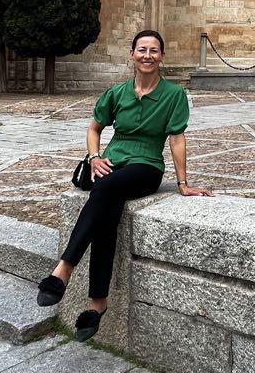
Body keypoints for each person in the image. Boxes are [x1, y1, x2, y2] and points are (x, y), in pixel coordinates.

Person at [35, 28, 211, 341]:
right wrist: (94, 157)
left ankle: (63, 269)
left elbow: (177, 138)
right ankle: (97, 302)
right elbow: (93, 128)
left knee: (105, 189)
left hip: (145, 167)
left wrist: (183, 183)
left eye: (154, 50)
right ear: (132, 55)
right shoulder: (116, 93)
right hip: (112, 163)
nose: (147, 56)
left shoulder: (173, 95)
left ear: (161, 57)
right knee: (107, 212)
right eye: (142, 50)